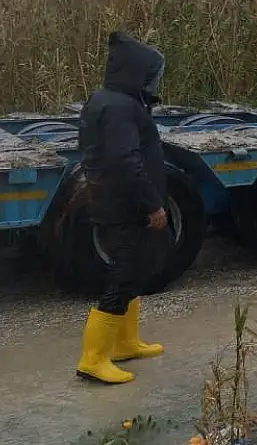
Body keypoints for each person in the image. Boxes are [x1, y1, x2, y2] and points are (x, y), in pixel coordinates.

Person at [74, 30, 169, 385]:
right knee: (123, 273)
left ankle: (126, 343)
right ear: (135, 72)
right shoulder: (118, 107)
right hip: (123, 204)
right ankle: (93, 359)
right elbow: (125, 161)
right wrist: (152, 204)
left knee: (135, 269)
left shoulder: (109, 100)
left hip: (115, 200)